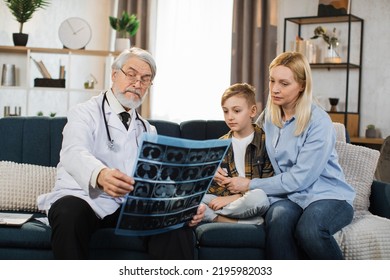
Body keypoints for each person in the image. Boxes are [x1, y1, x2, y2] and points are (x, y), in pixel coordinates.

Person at [37, 47, 205, 260]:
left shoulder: (147, 129)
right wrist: (100, 175)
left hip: (127, 206)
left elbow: (156, 180)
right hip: (84, 198)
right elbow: (73, 152)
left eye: (145, 79)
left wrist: (183, 205)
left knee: (172, 222)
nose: (137, 84)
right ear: (115, 74)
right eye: (131, 74)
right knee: (69, 211)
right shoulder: (84, 112)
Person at [219, 52, 356, 259]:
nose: (274, 89)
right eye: (272, 80)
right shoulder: (268, 116)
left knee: (309, 230)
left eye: (284, 83)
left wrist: (248, 185)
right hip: (288, 196)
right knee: (278, 219)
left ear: (301, 85)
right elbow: (248, 144)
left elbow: (300, 179)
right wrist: (217, 165)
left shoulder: (319, 121)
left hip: (327, 196)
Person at [202, 83, 273, 225]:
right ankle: (231, 221)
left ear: (252, 111)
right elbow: (214, 189)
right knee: (188, 200)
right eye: (225, 111)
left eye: (236, 111)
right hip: (224, 200)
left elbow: (268, 183)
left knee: (259, 197)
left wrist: (234, 198)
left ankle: (212, 216)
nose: (230, 117)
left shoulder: (266, 141)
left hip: (250, 200)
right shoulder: (220, 144)